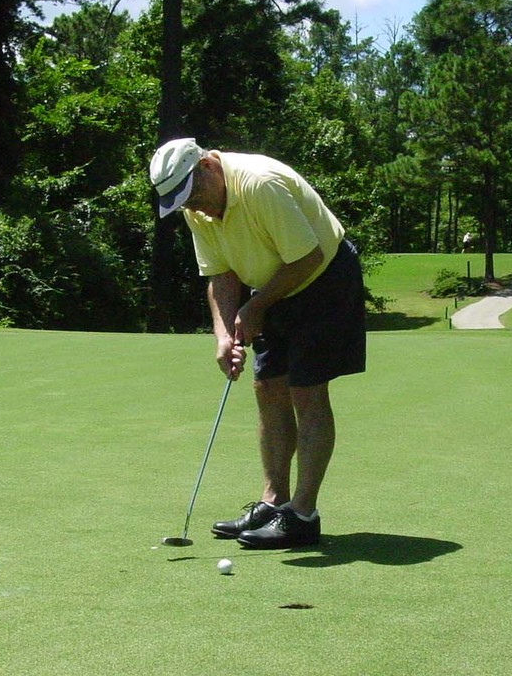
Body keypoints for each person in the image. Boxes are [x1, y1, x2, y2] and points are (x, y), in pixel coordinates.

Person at [149, 138, 367, 549]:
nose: (194, 207)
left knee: (306, 391)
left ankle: (302, 515)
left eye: (193, 194)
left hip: (323, 280)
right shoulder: (198, 209)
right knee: (267, 387)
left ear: (207, 166)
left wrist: (255, 307)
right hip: (274, 286)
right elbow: (221, 273)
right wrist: (223, 335)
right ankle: (273, 503)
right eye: (183, 202)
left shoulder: (259, 184)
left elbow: (307, 257)